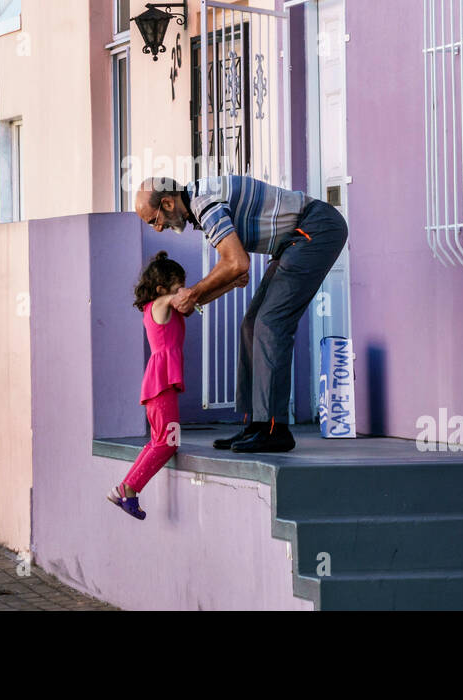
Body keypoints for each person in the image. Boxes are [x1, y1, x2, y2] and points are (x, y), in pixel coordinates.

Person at [134, 175, 347, 453]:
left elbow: (237, 261)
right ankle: (256, 425)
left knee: (270, 324)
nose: (158, 228)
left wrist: (195, 294)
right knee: (250, 325)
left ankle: (274, 429)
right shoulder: (200, 206)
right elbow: (237, 269)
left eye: (154, 220)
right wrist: (195, 298)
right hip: (292, 241)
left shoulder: (204, 202)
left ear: (167, 203)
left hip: (316, 229)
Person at [107, 251, 188, 520]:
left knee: (159, 440)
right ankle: (129, 489)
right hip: (161, 382)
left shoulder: (159, 305)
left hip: (160, 383)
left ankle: (123, 489)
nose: (184, 289)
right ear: (162, 288)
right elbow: (187, 298)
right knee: (168, 442)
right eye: (180, 284)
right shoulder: (161, 303)